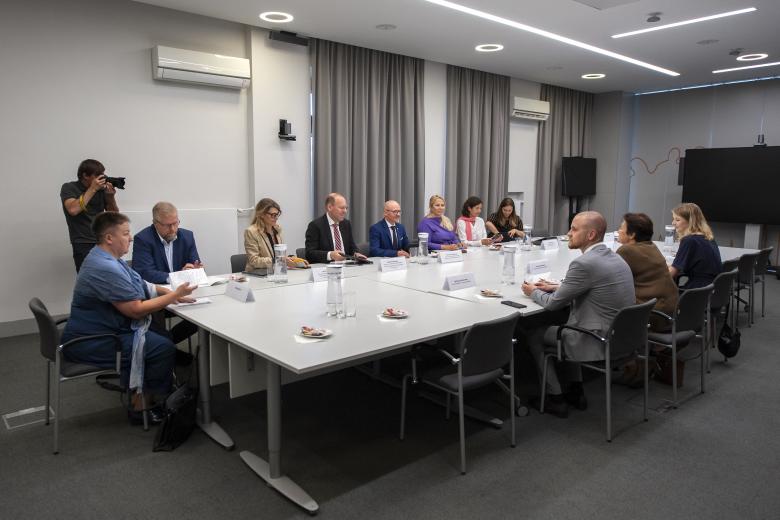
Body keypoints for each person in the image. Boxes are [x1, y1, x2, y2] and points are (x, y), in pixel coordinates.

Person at [61, 212, 196, 423]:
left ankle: (142, 391)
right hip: (93, 340)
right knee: (162, 347)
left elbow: (144, 285)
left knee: (160, 335)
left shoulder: (106, 258)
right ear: (109, 238)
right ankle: (140, 408)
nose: (130, 238)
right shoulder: (105, 267)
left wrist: (171, 295)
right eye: (125, 234)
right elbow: (135, 310)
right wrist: (173, 296)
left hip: (106, 330)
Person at [521, 211, 635, 418]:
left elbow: (552, 305)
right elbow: (593, 286)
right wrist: (558, 286)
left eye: (574, 229)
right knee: (566, 320)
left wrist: (533, 291)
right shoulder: (615, 257)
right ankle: (576, 389)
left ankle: (554, 397)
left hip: (597, 339)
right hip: (622, 337)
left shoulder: (583, 264)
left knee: (534, 333)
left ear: (590, 235)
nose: (568, 233)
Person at [616, 213, 677, 331]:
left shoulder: (626, 250)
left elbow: (610, 277)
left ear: (632, 234)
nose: (618, 231)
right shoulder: (651, 246)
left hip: (653, 313)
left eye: (621, 228)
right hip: (669, 309)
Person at [60, 159, 119, 271]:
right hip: (83, 242)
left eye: (102, 174)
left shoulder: (101, 190)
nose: (101, 178)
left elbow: (115, 218)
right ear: (85, 175)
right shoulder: (69, 187)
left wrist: (110, 197)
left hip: (103, 241)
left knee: (108, 278)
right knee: (88, 280)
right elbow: (73, 209)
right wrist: (92, 189)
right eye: (97, 175)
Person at [132, 202, 202, 284]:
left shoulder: (187, 237)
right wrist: (178, 277)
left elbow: (195, 264)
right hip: (158, 290)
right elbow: (145, 272)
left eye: (175, 223)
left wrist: (196, 270)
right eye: (167, 225)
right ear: (155, 223)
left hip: (184, 288)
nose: (172, 229)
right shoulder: (143, 239)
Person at [245, 198, 309, 269]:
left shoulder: (277, 229)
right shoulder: (251, 232)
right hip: (258, 274)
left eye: (277, 214)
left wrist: (293, 260)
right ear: (262, 214)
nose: (276, 218)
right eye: (273, 215)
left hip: (276, 272)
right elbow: (254, 261)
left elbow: (279, 257)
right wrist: (279, 260)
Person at [669, 203, 722, 289]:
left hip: (696, 292)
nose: (673, 223)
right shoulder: (708, 237)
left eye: (677, 220)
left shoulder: (689, 240)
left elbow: (672, 273)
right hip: (711, 290)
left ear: (690, 222)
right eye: (673, 219)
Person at [305, 193, 367, 263]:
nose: (345, 211)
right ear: (329, 207)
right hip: (326, 268)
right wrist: (330, 255)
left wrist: (356, 253)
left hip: (347, 266)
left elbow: (352, 246)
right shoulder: (315, 225)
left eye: (346, 208)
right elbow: (310, 253)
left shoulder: (346, 224)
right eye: (341, 208)